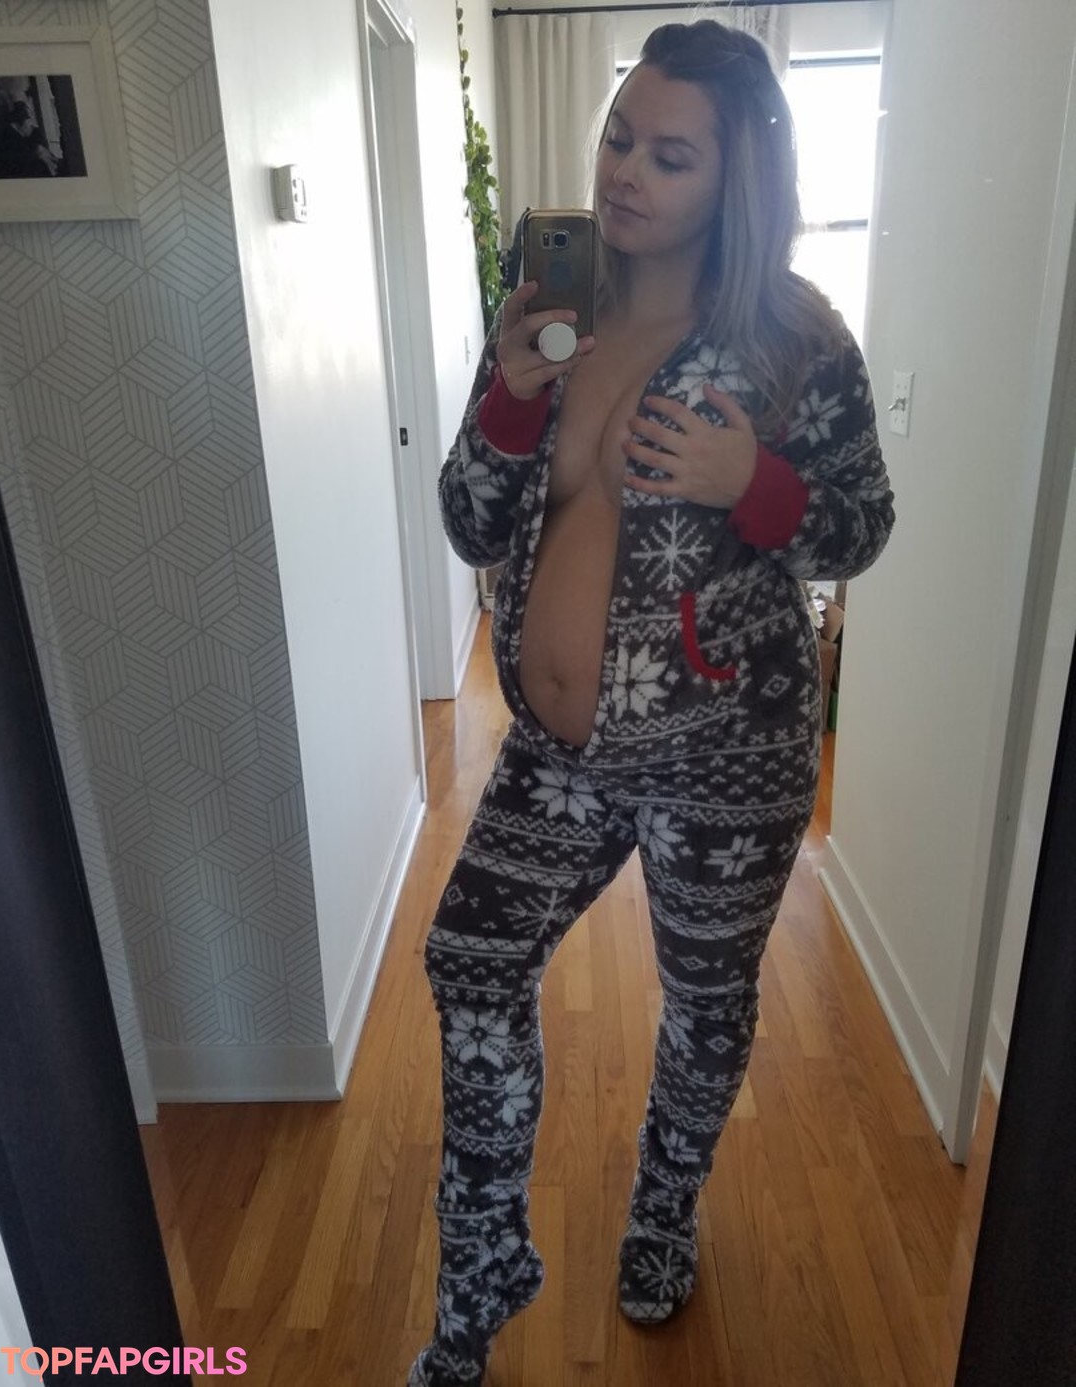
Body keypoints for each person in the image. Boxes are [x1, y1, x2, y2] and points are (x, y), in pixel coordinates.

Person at [409, 19, 895, 1386]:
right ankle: (483, 1270)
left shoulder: (796, 341)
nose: (625, 172)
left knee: (703, 1007)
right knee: (470, 960)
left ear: (737, 180)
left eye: (669, 156)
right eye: (620, 137)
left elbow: (859, 526)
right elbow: (468, 520)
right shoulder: (549, 310)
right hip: (557, 752)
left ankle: (663, 1213)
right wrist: (513, 401)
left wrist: (756, 485)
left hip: (726, 759)